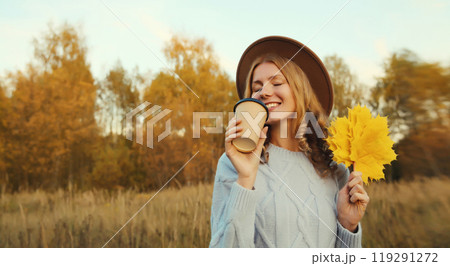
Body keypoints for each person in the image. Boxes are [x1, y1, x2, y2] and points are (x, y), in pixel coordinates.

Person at [209, 36, 370, 248]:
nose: (264, 92)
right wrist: (246, 179)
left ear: (300, 91)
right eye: (256, 88)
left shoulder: (334, 169)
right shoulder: (233, 164)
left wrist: (348, 226)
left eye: (276, 83)